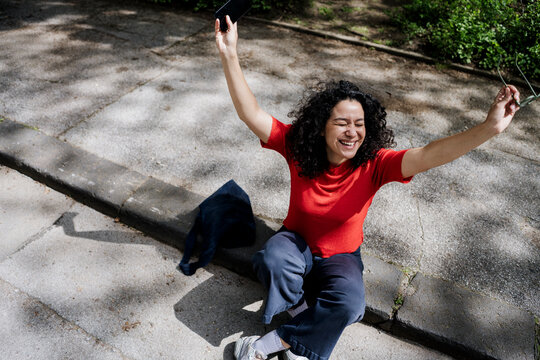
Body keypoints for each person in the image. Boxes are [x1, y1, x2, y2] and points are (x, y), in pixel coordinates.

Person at [215, 15, 520, 360]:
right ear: (321, 127)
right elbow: (250, 113)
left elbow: (432, 153)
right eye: (342, 122)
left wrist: (490, 128)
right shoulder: (298, 145)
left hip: (343, 256)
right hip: (295, 243)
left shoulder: (376, 163)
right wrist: (230, 54)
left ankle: (265, 346)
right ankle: (305, 323)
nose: (352, 132)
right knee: (272, 259)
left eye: (359, 124)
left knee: (349, 304)